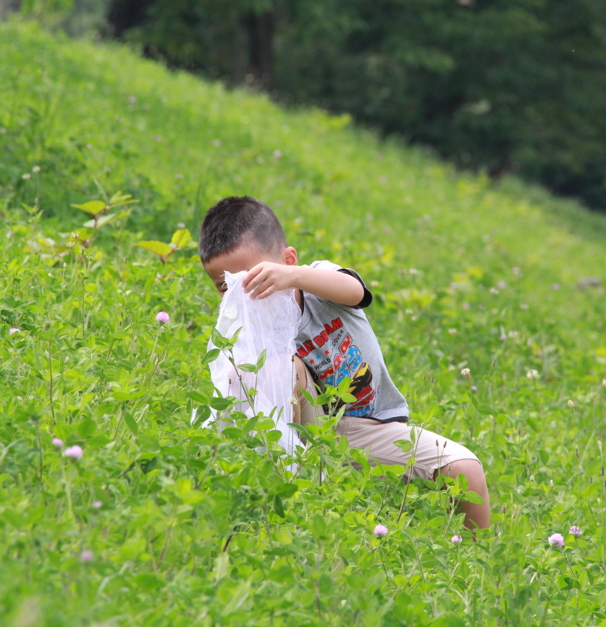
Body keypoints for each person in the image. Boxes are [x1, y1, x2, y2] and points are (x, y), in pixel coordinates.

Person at [199, 196, 490, 530]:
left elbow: (354, 291)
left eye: (258, 276)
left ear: (288, 260)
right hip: (304, 429)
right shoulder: (247, 330)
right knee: (271, 369)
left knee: (466, 468)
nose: (248, 293)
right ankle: (285, 490)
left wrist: (293, 277)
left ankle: (474, 552)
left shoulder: (317, 280)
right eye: (228, 287)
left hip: (368, 424)